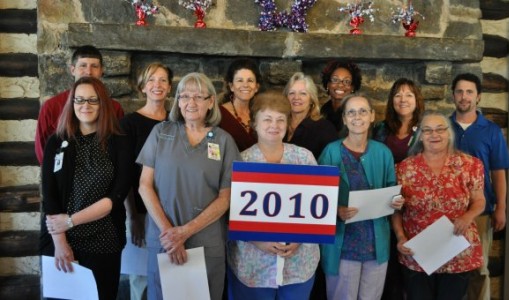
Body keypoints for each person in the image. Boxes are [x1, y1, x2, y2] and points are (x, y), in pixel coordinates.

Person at [136, 72, 240, 300]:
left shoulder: (223, 141)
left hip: (205, 241)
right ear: (178, 101)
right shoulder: (161, 133)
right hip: (164, 239)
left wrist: (184, 232)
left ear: (211, 101)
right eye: (184, 96)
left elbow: (225, 198)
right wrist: (170, 235)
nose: (190, 102)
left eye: (198, 97)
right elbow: (144, 186)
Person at [39, 77, 132, 300]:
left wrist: (71, 220)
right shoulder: (56, 141)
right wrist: (60, 242)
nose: (85, 105)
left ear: (103, 104)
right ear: (71, 103)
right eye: (79, 100)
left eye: (93, 100)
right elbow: (49, 195)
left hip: (104, 239)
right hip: (60, 238)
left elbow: (116, 197)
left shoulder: (120, 142)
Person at [227, 92, 319, 300]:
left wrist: (300, 238)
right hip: (253, 263)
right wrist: (257, 240)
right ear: (254, 124)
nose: (274, 125)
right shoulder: (242, 162)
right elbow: (230, 211)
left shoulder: (304, 158)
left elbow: (318, 209)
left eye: (280, 120)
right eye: (267, 119)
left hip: (299, 262)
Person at [318, 94, 403, 300]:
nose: (358, 117)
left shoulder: (383, 152)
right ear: (345, 119)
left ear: (372, 116)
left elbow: (392, 188)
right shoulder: (330, 152)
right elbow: (318, 196)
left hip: (376, 246)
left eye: (363, 111)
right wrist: (336, 210)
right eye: (351, 112)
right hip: (342, 246)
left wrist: (396, 201)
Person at [393, 111, 485, 300]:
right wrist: (400, 237)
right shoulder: (404, 168)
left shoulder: (470, 165)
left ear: (449, 133)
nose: (434, 135)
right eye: (427, 130)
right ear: (420, 136)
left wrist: (467, 217)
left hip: (456, 252)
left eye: (440, 129)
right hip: (418, 252)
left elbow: (479, 201)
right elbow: (396, 209)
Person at [449, 73, 509, 300]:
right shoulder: (442, 128)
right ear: (453, 96)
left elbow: (498, 171)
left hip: (481, 212)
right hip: (448, 213)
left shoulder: (491, 131)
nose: (464, 97)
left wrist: (501, 207)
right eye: (459, 91)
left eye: (469, 92)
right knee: (449, 269)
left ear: (478, 97)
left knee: (479, 268)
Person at [120, 62, 173, 300]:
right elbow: (125, 174)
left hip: (172, 213)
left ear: (170, 87)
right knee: (140, 283)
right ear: (142, 87)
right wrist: (133, 217)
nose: (157, 85)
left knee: (169, 281)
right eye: (151, 80)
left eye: (162, 80)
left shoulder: (177, 123)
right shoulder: (129, 124)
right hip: (141, 213)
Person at [372, 78, 424, 300]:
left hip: (414, 205)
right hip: (384, 204)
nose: (403, 99)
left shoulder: (426, 129)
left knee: (412, 266)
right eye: (398, 95)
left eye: (408, 95)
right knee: (388, 262)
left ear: (417, 100)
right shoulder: (381, 129)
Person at [35, 45, 124, 164]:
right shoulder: (51, 107)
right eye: (83, 65)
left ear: (101, 71)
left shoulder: (115, 108)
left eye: (94, 66)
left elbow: (120, 148)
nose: (88, 72)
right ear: (73, 70)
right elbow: (42, 149)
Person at [284, 72, 338, 159]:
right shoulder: (278, 124)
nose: (296, 97)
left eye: (303, 93)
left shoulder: (325, 128)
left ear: (311, 99)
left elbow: (332, 164)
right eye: (291, 93)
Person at [219, 58, 262, 151]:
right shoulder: (219, 114)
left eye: (250, 80)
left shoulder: (262, 113)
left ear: (256, 87)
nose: (245, 85)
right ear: (231, 86)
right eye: (240, 80)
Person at [320, 60, 362, 133]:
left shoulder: (357, 113)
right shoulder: (323, 111)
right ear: (327, 84)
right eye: (335, 80)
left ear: (352, 87)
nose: (340, 85)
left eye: (347, 81)